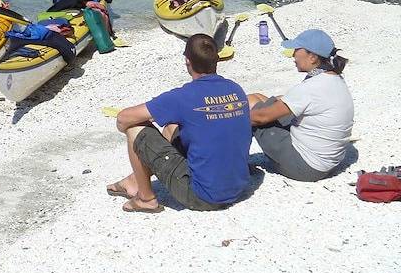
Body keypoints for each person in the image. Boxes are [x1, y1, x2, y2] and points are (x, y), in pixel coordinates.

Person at [107, 33, 251, 213]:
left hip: (202, 196)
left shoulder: (183, 96)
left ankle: (145, 199)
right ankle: (134, 180)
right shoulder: (235, 89)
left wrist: (130, 131)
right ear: (217, 60)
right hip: (238, 186)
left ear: (187, 61)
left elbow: (123, 118)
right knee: (173, 127)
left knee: (134, 128)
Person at [248, 28, 353, 182]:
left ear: (312, 57)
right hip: (328, 161)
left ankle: (233, 165)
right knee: (257, 98)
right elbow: (297, 100)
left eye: (297, 50)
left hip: (306, 167)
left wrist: (222, 117)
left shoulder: (310, 88)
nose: (293, 55)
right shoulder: (333, 78)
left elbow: (260, 118)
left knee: (250, 110)